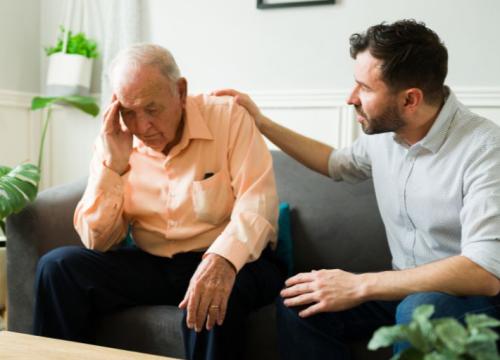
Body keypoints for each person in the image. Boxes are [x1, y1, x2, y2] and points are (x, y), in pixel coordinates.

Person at [214, 19, 500, 359]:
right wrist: (262, 123)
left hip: (475, 300)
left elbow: (483, 272)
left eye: (364, 88)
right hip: (404, 288)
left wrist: (360, 285)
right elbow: (335, 163)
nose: (351, 99)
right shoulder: (387, 136)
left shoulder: (484, 149)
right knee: (301, 302)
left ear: (410, 99)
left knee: (419, 310)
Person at [33, 44, 286, 360]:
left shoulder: (228, 118)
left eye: (151, 109)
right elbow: (96, 241)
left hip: (233, 261)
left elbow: (257, 203)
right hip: (152, 263)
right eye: (129, 111)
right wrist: (113, 167)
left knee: (213, 296)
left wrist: (222, 259)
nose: (141, 127)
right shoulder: (116, 139)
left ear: (180, 91)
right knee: (58, 267)